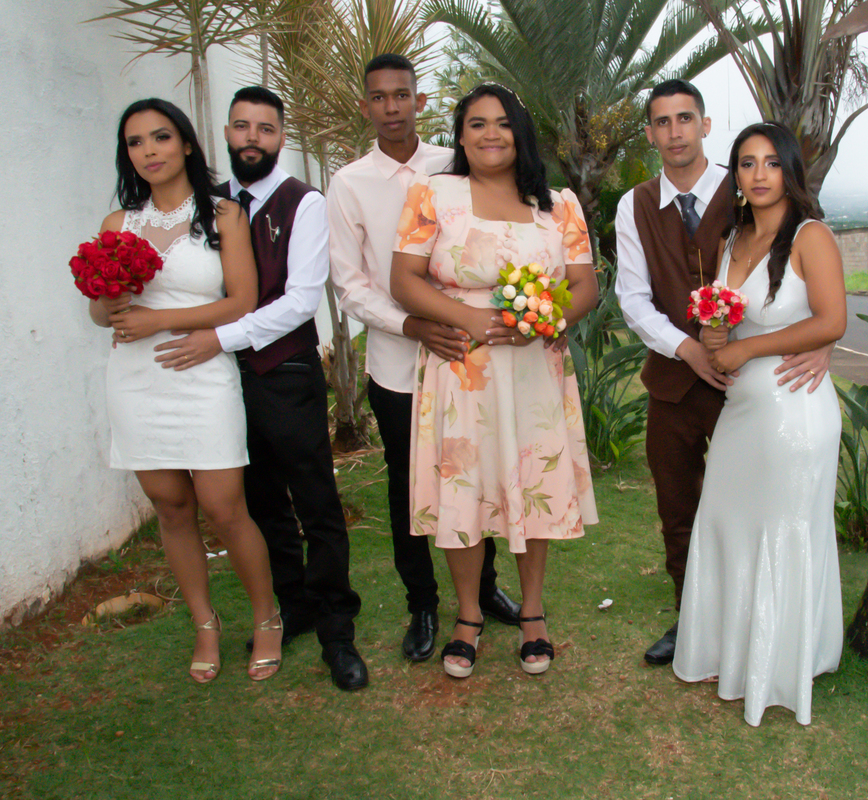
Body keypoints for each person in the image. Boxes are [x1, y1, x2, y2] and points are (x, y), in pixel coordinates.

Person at [152, 86, 367, 691]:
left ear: (280, 137)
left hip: (286, 373)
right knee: (260, 502)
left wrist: (220, 337)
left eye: (265, 129)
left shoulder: (304, 203)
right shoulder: (209, 205)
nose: (253, 138)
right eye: (242, 127)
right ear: (226, 133)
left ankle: (336, 628)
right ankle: (292, 604)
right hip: (218, 380)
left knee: (315, 503)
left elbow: (301, 300)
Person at [614, 80, 834, 666]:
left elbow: (808, 277)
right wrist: (687, 350)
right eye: (662, 122)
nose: (675, 132)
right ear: (650, 133)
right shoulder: (635, 205)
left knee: (750, 506)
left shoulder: (745, 192)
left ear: (705, 125)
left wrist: (825, 342)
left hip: (748, 388)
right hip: (674, 382)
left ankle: (755, 623)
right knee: (679, 509)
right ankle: (694, 622)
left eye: (685, 118)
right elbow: (632, 298)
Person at [391, 83, 598, 678]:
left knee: (532, 483)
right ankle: (467, 617)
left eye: (503, 123)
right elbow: (404, 279)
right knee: (464, 490)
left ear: (520, 134)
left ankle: (532, 613)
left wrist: (544, 320)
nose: (490, 134)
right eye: (477, 123)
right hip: (462, 368)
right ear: (460, 135)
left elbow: (585, 285)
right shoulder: (433, 193)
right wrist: (470, 319)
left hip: (534, 370)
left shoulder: (558, 205)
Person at [327, 55, 521, 665]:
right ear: (366, 105)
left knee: (477, 472)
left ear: (420, 100)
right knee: (408, 487)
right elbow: (349, 284)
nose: (391, 107)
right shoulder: (349, 183)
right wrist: (412, 325)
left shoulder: (453, 164)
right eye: (379, 97)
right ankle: (423, 603)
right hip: (396, 362)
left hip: (467, 356)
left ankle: (483, 591)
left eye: (401, 95)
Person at [89, 98, 282, 683]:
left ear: (188, 144)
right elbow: (101, 315)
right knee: (171, 508)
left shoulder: (222, 214)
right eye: (135, 142)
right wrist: (110, 300)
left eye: (161, 137)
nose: (149, 150)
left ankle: (267, 617)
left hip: (202, 375)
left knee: (224, 507)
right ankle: (205, 623)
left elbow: (241, 301)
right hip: (136, 380)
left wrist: (160, 320)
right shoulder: (118, 224)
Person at [672, 122, 847, 726]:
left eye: (772, 162)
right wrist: (716, 336)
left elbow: (831, 320)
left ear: (790, 170)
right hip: (742, 411)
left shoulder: (810, 236)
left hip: (793, 410)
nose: (760, 173)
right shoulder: (731, 240)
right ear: (737, 176)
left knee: (781, 530)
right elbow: (728, 322)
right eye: (747, 163)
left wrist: (748, 349)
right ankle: (731, 651)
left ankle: (781, 663)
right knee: (730, 522)